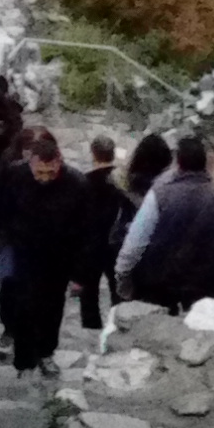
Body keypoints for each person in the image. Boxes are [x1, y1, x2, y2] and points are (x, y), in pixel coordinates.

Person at [0, 126, 89, 372]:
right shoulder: (13, 175)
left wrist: (80, 272)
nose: (44, 178)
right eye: (39, 172)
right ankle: (14, 336)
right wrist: (1, 237)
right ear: (30, 162)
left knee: (52, 305)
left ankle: (46, 351)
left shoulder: (76, 184)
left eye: (50, 173)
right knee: (13, 298)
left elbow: (85, 230)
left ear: (59, 162)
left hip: (56, 257)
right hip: (20, 251)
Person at [113, 129, 214, 310]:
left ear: (178, 162)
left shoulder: (160, 194)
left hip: (160, 287)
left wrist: (123, 277)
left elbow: (136, 243)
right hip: (209, 288)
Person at [74, 131, 127, 333]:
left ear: (93, 154)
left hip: (92, 242)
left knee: (89, 287)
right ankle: (119, 321)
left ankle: (91, 324)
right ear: (113, 153)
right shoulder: (121, 180)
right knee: (117, 285)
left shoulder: (84, 181)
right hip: (116, 241)